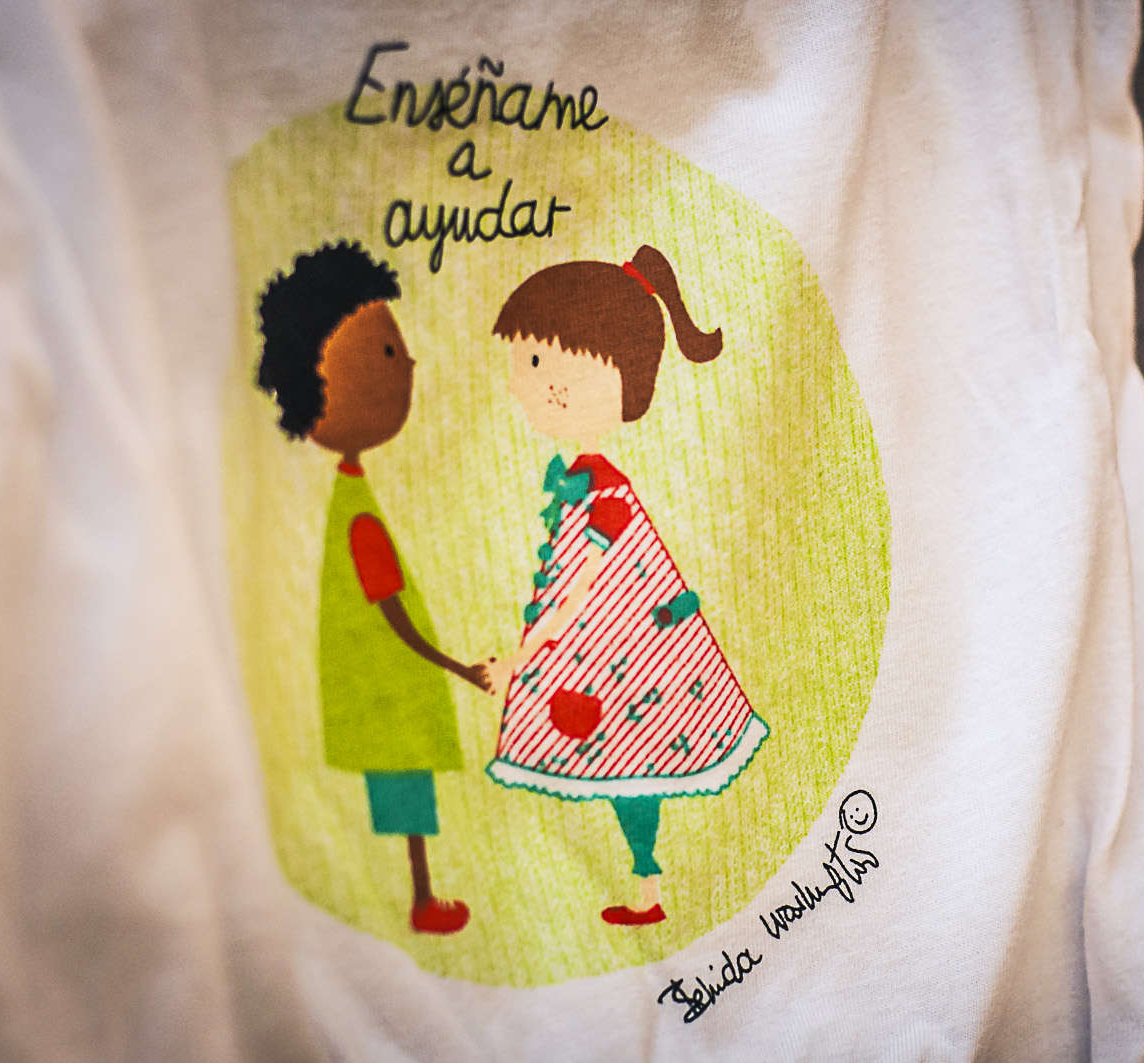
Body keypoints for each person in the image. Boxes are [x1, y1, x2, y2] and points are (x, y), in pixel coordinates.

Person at [484, 244, 769, 926]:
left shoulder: (602, 496)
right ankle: (648, 886)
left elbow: (575, 595)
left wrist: (519, 658)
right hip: (612, 657)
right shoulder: (585, 482)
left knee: (634, 767)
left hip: (622, 660)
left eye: (538, 363)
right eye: (525, 363)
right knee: (625, 770)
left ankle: (650, 886)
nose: (527, 385)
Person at [256, 241, 489, 934]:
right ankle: (420, 900)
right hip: (389, 693)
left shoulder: (351, 500)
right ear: (316, 388)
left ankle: (414, 898)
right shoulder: (357, 519)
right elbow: (391, 614)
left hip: (375, 693)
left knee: (402, 797)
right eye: (387, 352)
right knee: (408, 800)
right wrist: (454, 667)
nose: (407, 363)